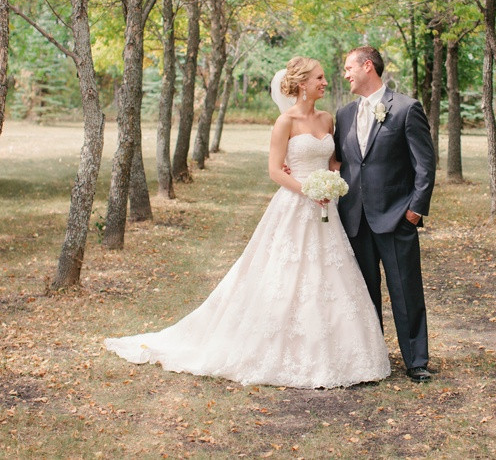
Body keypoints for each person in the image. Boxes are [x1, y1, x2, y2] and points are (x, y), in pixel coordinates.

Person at [104, 56, 390, 389]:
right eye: (320, 78)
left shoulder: (327, 120)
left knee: (331, 277)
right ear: (302, 84)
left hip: (327, 212)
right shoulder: (285, 122)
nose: (325, 83)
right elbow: (273, 170)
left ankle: (339, 353)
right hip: (296, 206)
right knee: (284, 276)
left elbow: (333, 160)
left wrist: (332, 182)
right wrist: (309, 189)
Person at [333, 46, 436, 383]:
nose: (346, 74)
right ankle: (371, 357)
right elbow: (341, 163)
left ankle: (416, 360)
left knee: (406, 289)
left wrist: (414, 211)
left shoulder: (406, 108)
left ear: (367, 66)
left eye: (349, 67)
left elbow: (425, 165)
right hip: (354, 220)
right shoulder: (344, 114)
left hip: (395, 217)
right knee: (364, 292)